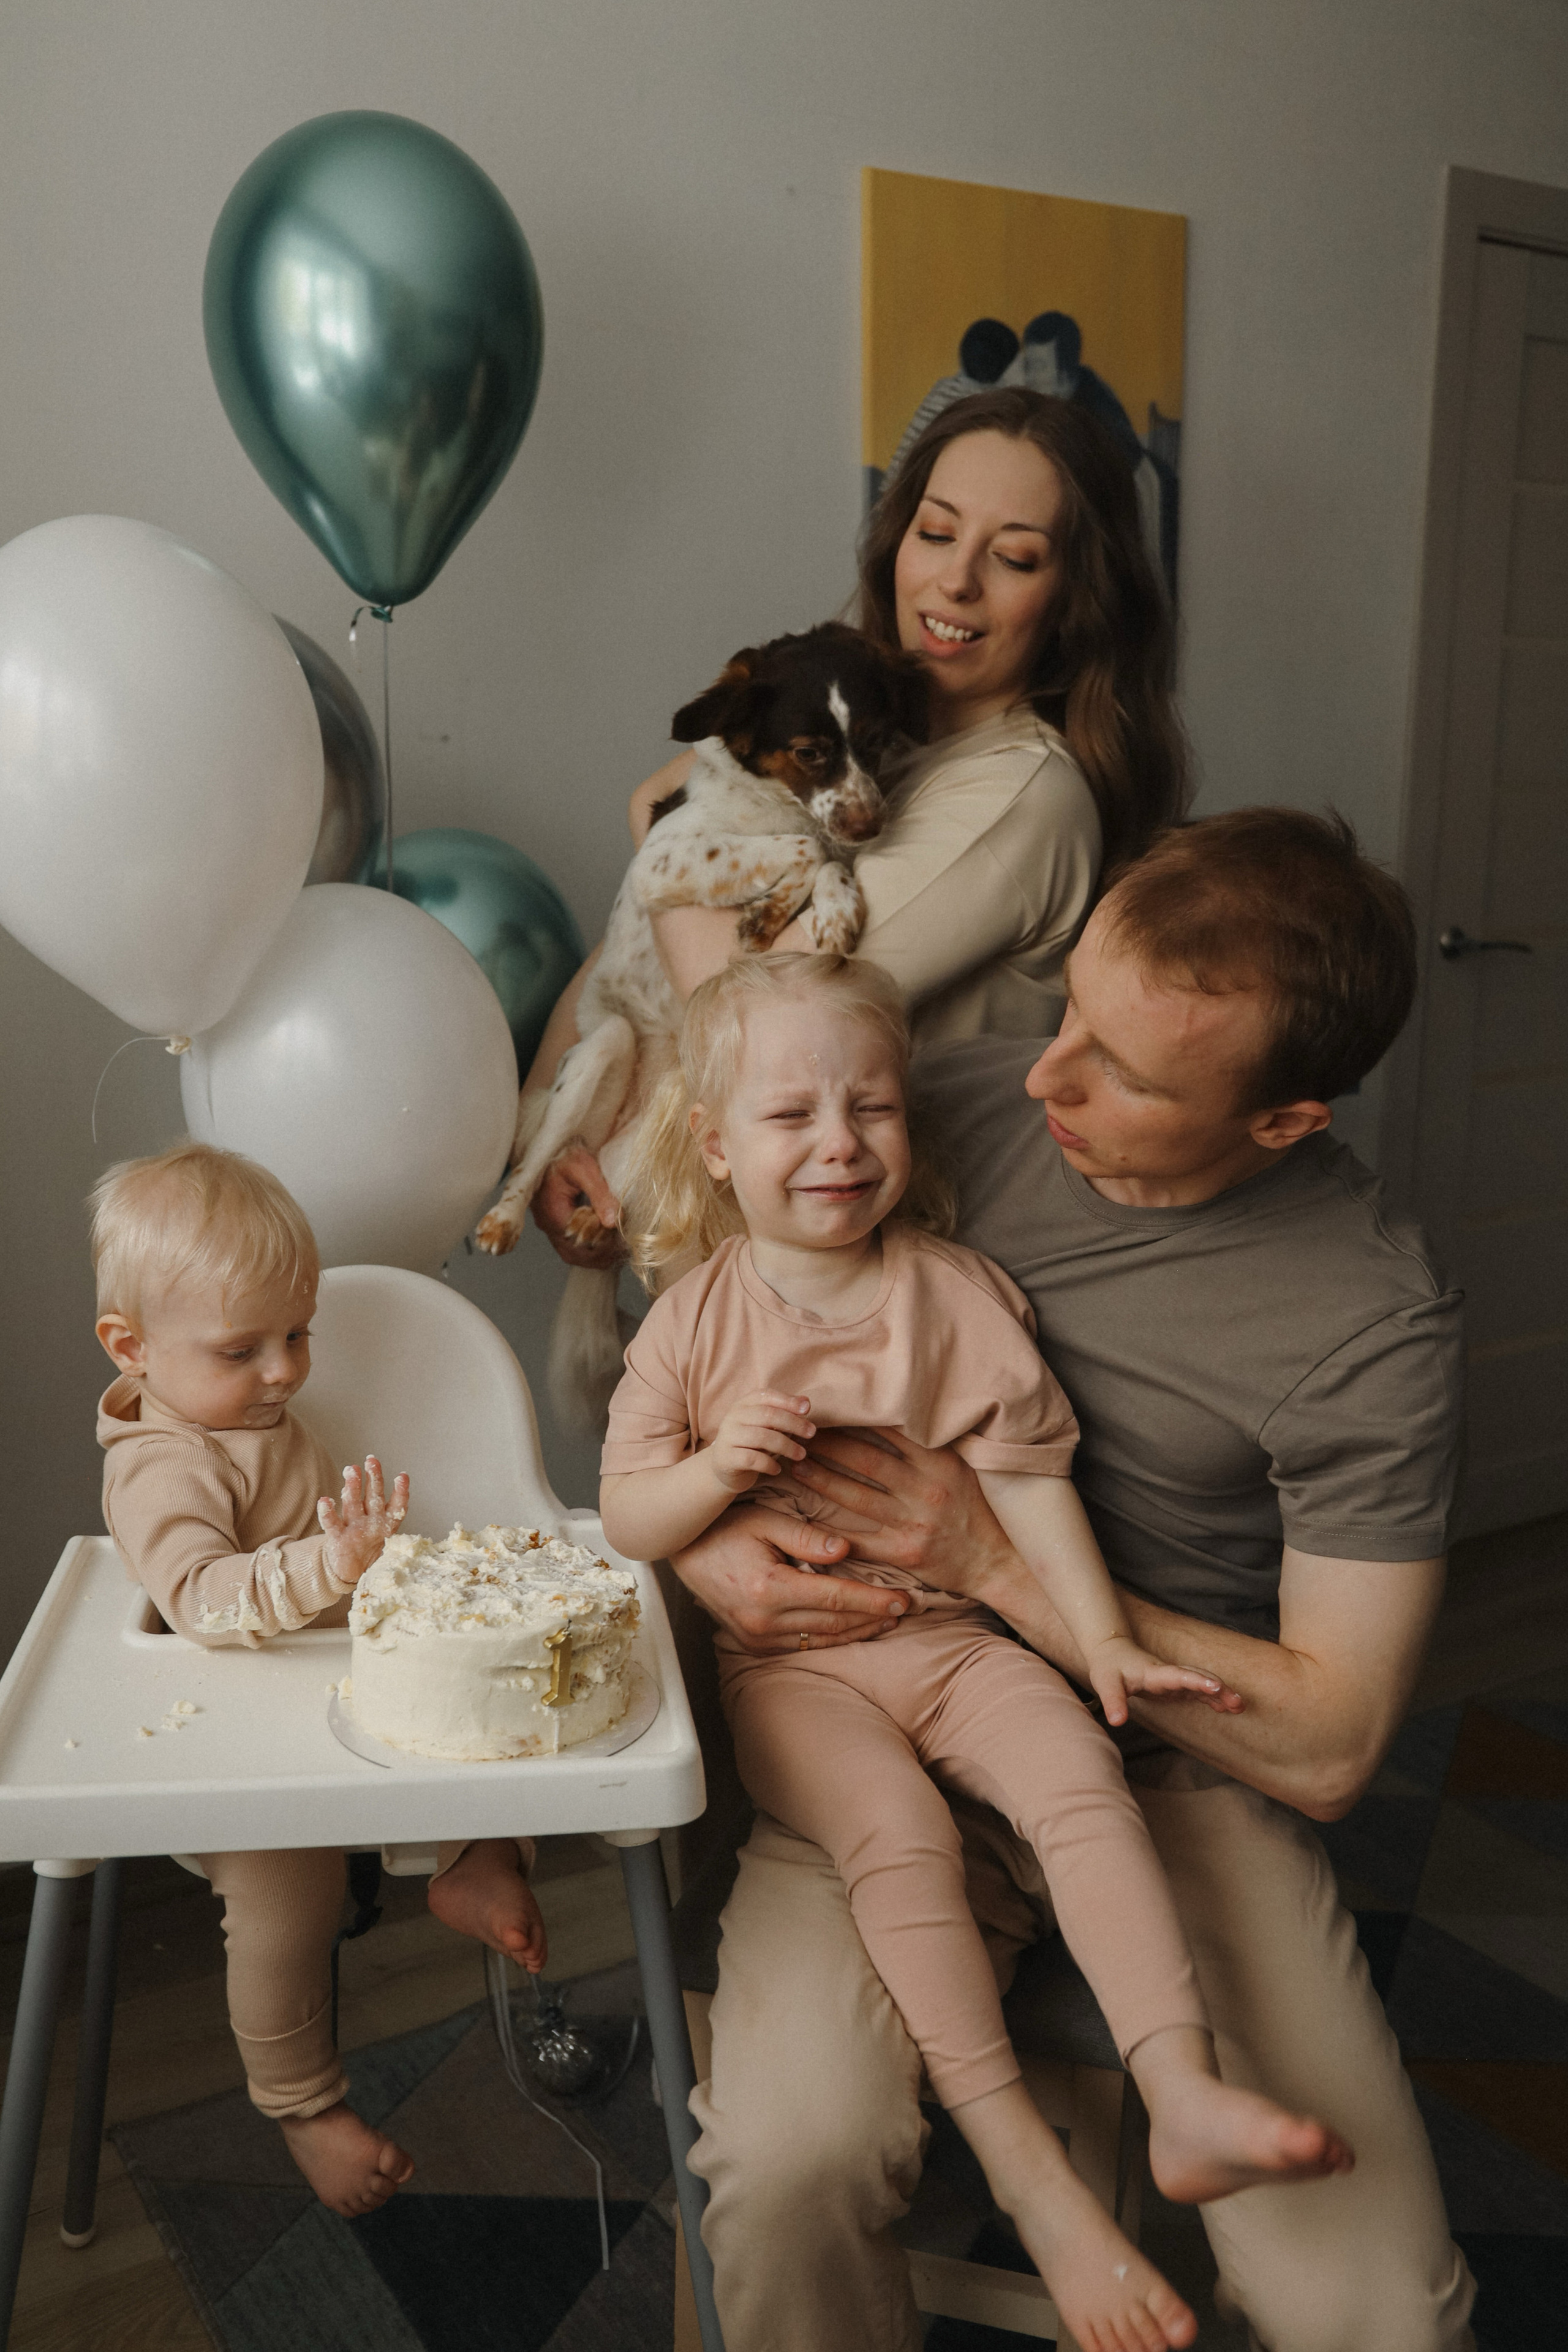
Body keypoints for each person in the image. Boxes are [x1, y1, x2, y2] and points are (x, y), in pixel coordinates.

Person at [667, 811, 1476, 2352]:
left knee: (1376, 2313)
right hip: (880, 1713)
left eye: (1126, 1074)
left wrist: (994, 1561)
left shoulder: (1372, 1322)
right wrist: (706, 1542)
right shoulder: (953, 1110)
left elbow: (1328, 1743)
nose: (1045, 1076)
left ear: (1284, 1122)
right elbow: (709, 1337)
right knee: (789, 2162)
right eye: (1070, 1017)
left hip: (1170, 1771)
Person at [526, 386, 1187, 1268]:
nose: (956, 580)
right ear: (897, 542)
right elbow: (640, 927)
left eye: (1018, 557)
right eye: (937, 532)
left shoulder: (1025, 792)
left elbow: (742, 1009)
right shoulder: (870, 732)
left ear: (1076, 599)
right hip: (739, 1262)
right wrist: (549, 1113)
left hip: (881, 1297)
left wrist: (667, 827)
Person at [91, 1142, 548, 2218]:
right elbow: (202, 1596)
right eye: (243, 1349)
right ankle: (303, 2107)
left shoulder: (236, 1409)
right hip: (233, 1741)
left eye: (296, 1334)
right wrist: (326, 1567)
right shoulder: (161, 1462)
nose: (287, 1371)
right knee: (287, 1888)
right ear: (133, 1349)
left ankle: (473, 1862)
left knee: (512, 1726)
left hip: (343, 1687)